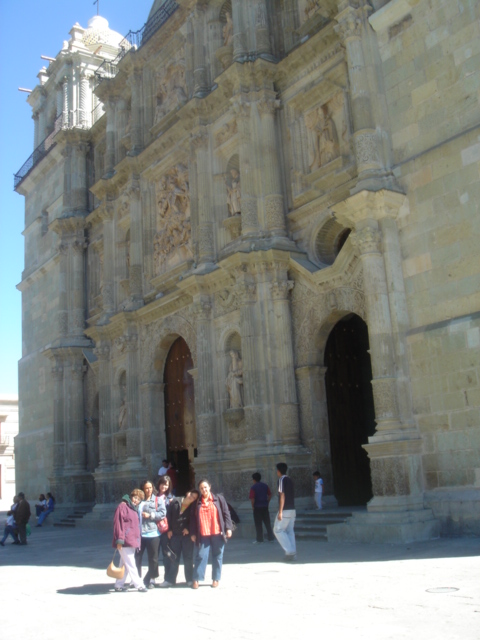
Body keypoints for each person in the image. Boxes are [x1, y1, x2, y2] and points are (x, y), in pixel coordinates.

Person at [190, 479, 233, 589]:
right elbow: (193, 519)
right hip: (203, 533)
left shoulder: (219, 499)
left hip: (217, 531)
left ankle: (216, 578)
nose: (204, 490)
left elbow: (226, 513)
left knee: (218, 555)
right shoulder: (197, 502)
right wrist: (193, 533)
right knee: (201, 555)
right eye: (201, 488)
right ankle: (197, 578)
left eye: (205, 487)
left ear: (209, 487)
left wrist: (228, 528)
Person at [158, 489, 199, 588]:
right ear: (187, 492)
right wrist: (169, 529)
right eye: (191, 494)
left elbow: (195, 520)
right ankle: (170, 580)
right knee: (173, 558)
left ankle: (189, 579)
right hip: (175, 534)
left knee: (188, 558)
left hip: (186, 536)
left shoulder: (193, 508)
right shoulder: (175, 501)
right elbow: (168, 515)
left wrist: (188, 529)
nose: (191, 497)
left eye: (194, 497)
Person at [112, 488, 147, 592]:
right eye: (135, 497)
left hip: (132, 540)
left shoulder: (133, 508)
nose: (136, 500)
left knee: (124, 564)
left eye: (139, 499)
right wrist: (119, 540)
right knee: (131, 563)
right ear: (131, 496)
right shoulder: (123, 506)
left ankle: (119, 584)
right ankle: (139, 584)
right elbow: (118, 524)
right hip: (125, 541)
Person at [135, 480, 166, 589]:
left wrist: (150, 515)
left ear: (153, 488)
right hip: (140, 534)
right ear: (143, 489)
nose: (148, 490)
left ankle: (151, 579)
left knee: (153, 558)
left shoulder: (157, 500)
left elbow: (163, 513)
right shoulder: (139, 501)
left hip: (153, 533)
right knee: (137, 557)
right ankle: (137, 579)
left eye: (150, 488)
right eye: (146, 488)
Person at [273, 463, 296, 561]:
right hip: (292, 509)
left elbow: (282, 495)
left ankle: (289, 551)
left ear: (278, 470)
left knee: (278, 530)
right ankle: (292, 552)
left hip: (285, 509)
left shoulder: (281, 480)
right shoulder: (290, 480)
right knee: (289, 530)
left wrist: (280, 511)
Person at [249, 473, 275, 544]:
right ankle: (271, 538)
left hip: (257, 507)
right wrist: (267, 502)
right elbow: (270, 495)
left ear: (254, 479)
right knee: (267, 523)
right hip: (265, 506)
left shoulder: (253, 487)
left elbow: (252, 498)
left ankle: (260, 539)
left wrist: (253, 506)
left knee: (258, 524)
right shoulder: (265, 486)